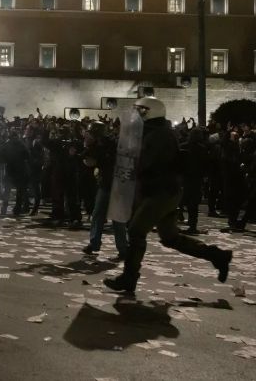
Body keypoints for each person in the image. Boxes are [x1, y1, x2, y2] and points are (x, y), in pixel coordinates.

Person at [104, 97, 233, 293]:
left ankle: (129, 278)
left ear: (151, 111)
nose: (138, 114)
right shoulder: (155, 132)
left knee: (137, 231)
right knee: (170, 238)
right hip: (162, 191)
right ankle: (218, 256)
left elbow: (147, 163)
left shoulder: (159, 135)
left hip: (161, 193)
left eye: (141, 110)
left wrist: (129, 163)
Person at [81, 121, 127, 259]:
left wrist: (88, 147)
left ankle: (122, 248)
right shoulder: (102, 144)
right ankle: (96, 243)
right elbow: (88, 159)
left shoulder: (108, 145)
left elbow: (90, 160)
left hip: (113, 184)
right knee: (98, 215)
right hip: (107, 184)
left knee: (115, 219)